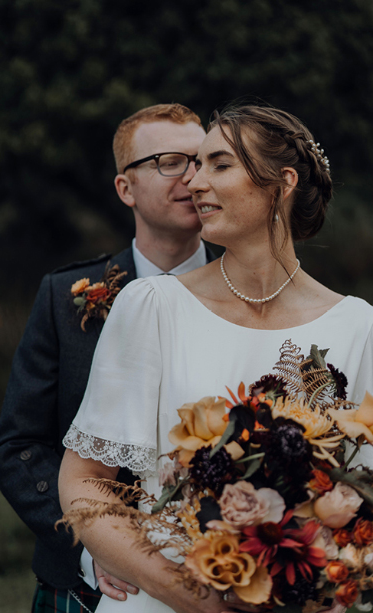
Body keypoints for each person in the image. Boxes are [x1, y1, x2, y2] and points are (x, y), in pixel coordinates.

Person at [59, 104, 360, 613]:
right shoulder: (152, 305)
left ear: (282, 183)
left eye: (218, 164)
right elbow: (84, 481)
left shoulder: (357, 328)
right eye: (194, 165)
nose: (194, 182)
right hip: (165, 596)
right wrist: (190, 595)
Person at [0, 103, 214, 613]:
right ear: (125, 189)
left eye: (204, 160)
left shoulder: (250, 294)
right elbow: (18, 445)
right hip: (88, 585)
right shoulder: (65, 295)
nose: (193, 177)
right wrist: (96, 545)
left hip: (216, 572)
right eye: (170, 162)